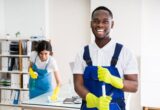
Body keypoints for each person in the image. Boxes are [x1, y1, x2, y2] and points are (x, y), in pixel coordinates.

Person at [73, 6, 138, 110]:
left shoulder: (125, 52)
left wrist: (112, 79)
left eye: (105, 21)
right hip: (89, 106)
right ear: (91, 24)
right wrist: (94, 100)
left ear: (112, 24)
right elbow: (78, 85)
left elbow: (134, 86)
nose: (100, 25)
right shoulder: (82, 53)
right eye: (96, 21)